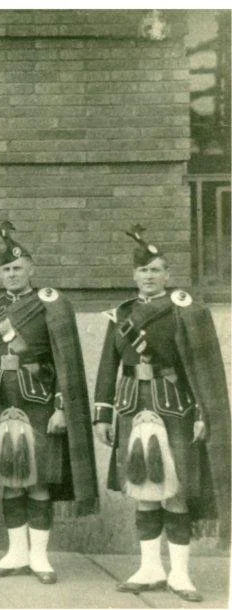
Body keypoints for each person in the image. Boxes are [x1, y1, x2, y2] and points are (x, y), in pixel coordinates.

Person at [93, 225, 230, 603]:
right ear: (134, 275)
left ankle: (180, 573)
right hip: (131, 404)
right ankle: (150, 568)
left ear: (167, 275)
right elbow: (108, 366)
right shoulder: (121, 313)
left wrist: (203, 412)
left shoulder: (185, 310)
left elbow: (203, 367)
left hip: (175, 406)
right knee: (143, 490)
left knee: (176, 490)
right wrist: (102, 414)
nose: (149, 276)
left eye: (155, 270)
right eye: (143, 271)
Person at [0, 222, 97, 585]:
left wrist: (61, 408)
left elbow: (63, 361)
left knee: (38, 482)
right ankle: (15, 554)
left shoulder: (48, 305)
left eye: (18, 268)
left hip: (38, 402)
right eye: (6, 269)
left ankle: (39, 557)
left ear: (31, 269)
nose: (11, 274)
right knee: (10, 481)